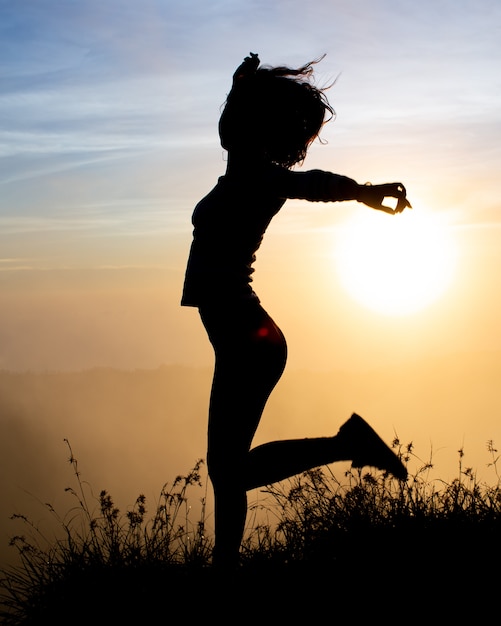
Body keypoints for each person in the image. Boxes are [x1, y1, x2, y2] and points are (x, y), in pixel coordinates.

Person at [181, 53, 411, 570]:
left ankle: (342, 445)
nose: (232, 119)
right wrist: (239, 81)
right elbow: (226, 124)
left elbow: (314, 184)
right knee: (227, 469)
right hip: (240, 334)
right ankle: (225, 565)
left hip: (249, 337)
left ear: (258, 123)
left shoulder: (264, 176)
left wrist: (363, 192)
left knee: (228, 470)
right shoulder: (237, 157)